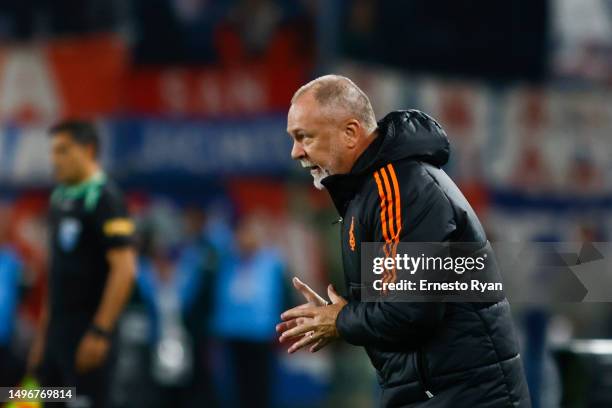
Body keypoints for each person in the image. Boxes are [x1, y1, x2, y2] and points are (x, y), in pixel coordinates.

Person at [277, 75, 531, 407]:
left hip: (464, 398)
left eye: (304, 137)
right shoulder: (369, 192)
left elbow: (411, 311)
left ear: (351, 133)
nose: (296, 152)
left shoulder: (398, 187)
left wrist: (340, 320)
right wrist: (337, 316)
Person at [27, 120, 136, 408]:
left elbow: (124, 270)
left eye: (63, 150)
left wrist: (100, 331)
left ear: (88, 150)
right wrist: (42, 339)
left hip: (88, 335)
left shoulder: (104, 198)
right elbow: (57, 276)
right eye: (53, 151)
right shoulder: (59, 198)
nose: (55, 160)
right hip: (56, 338)